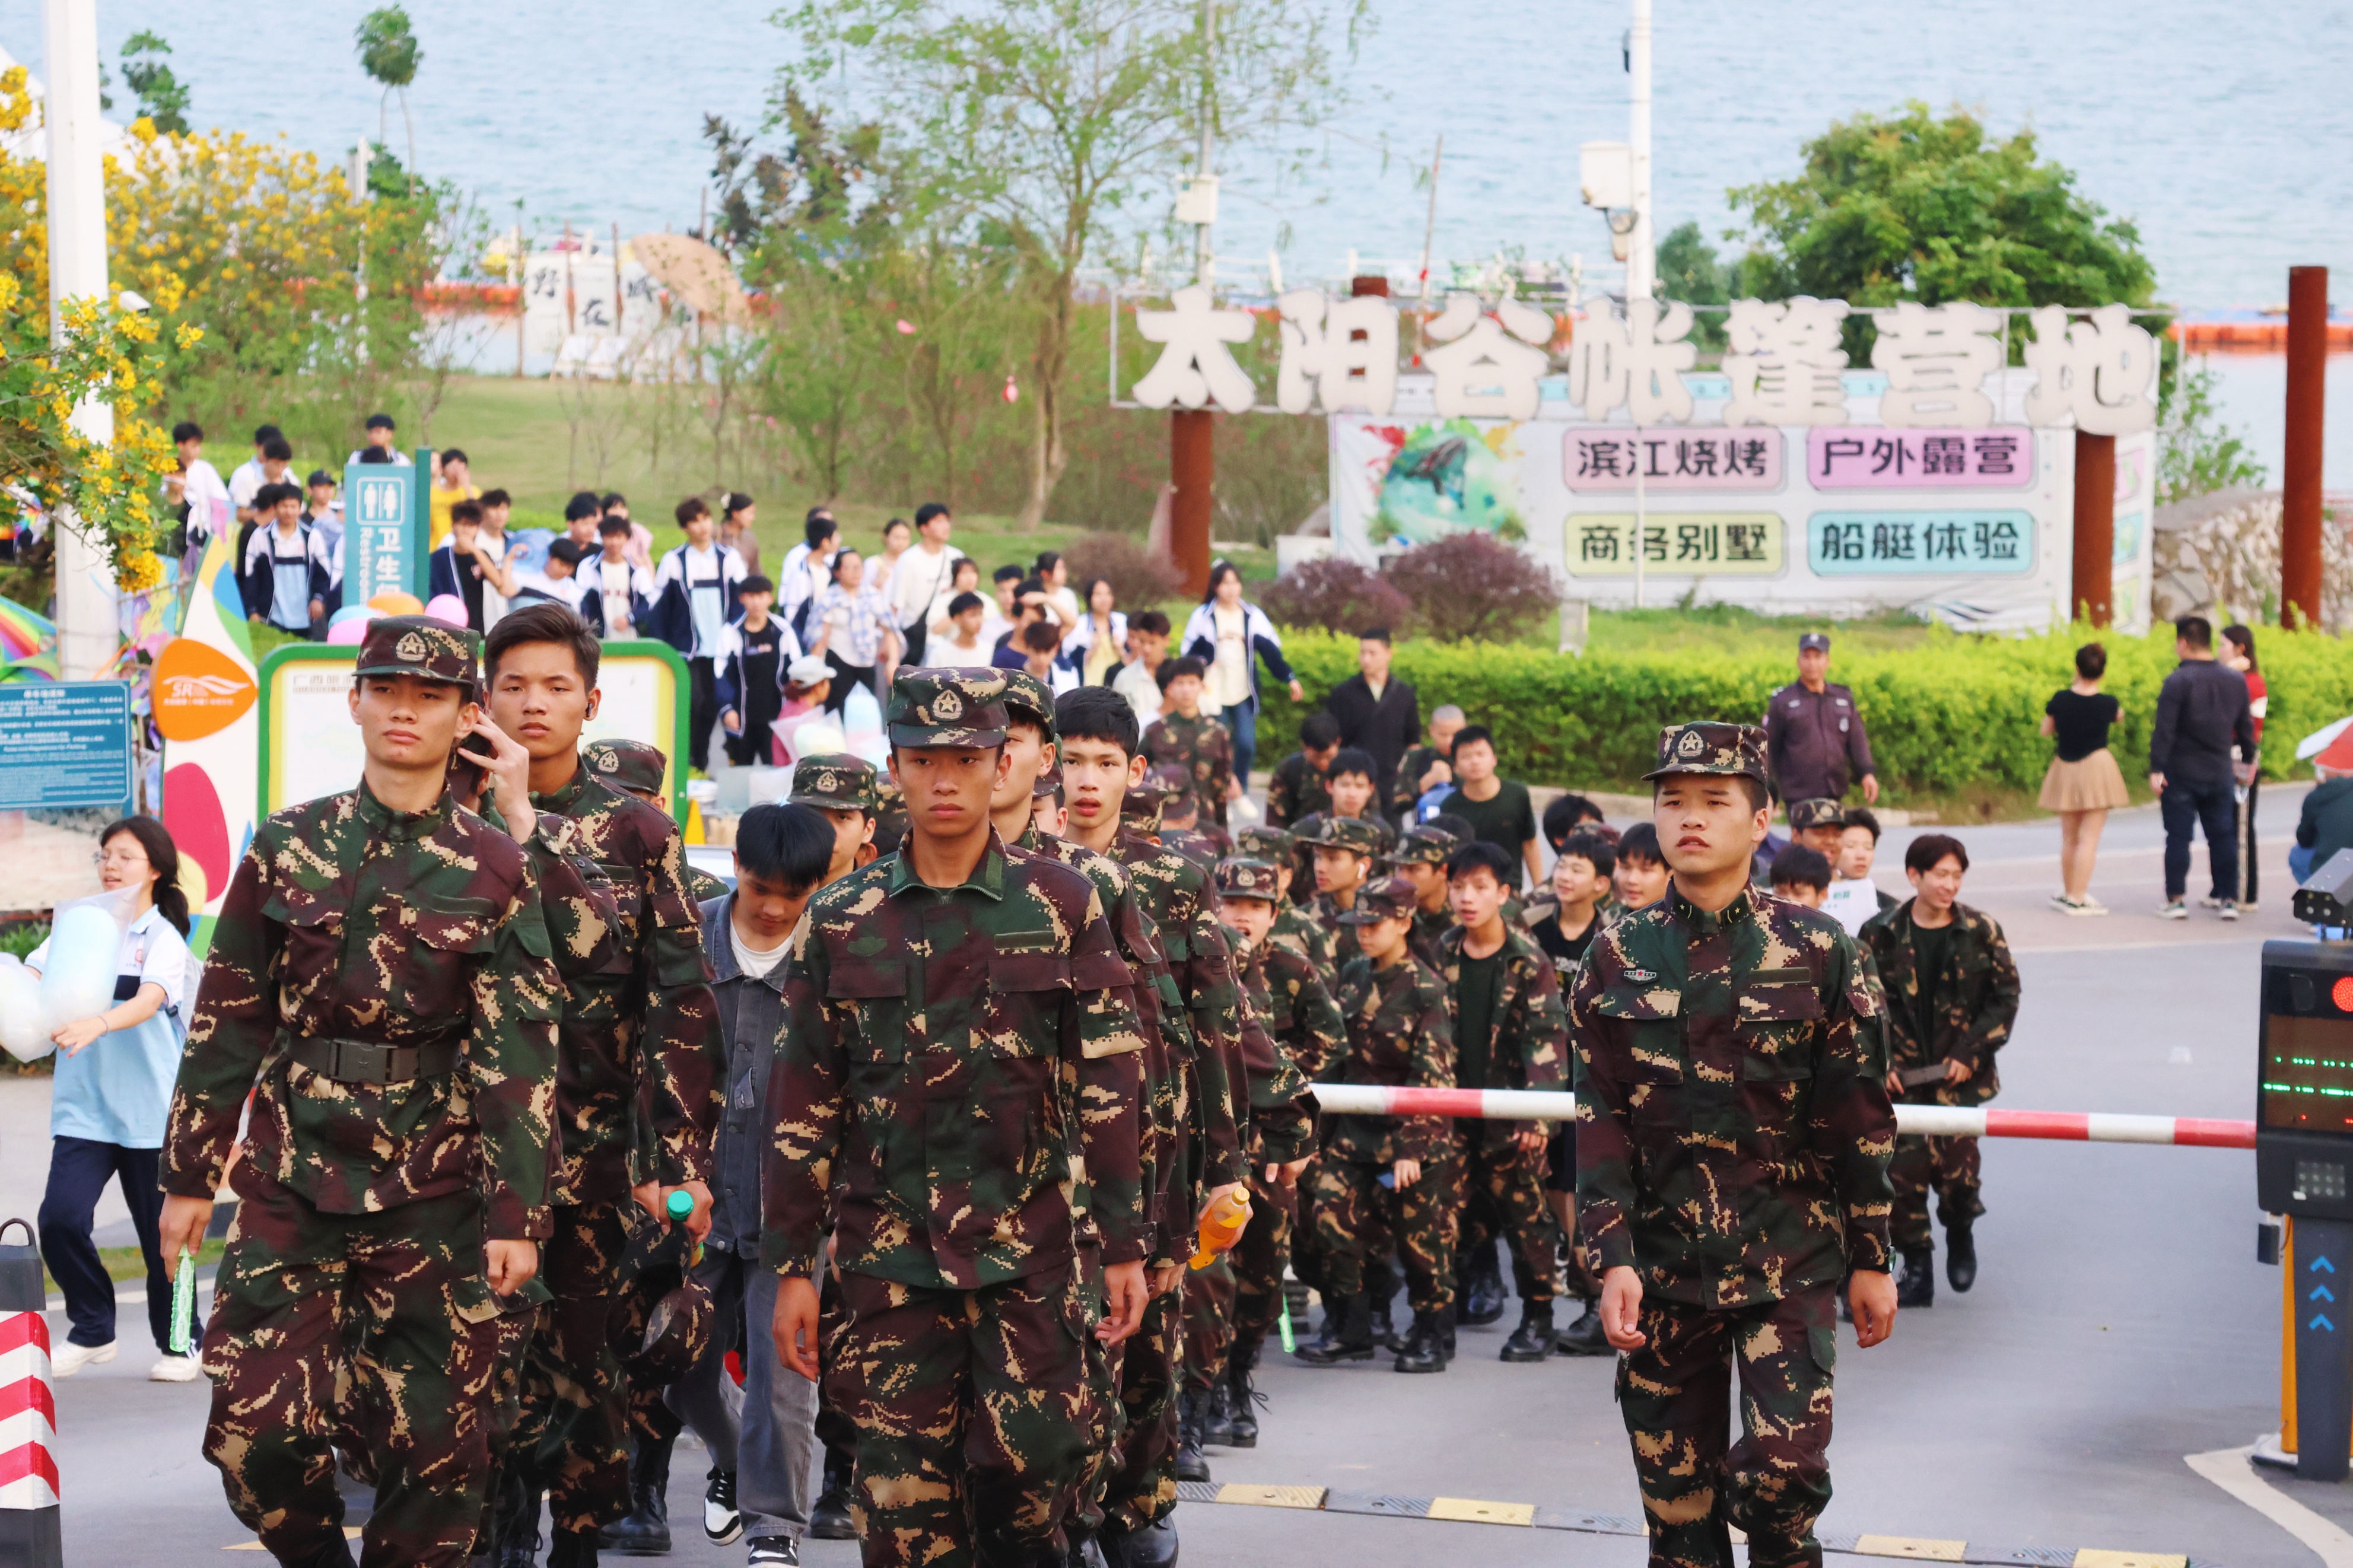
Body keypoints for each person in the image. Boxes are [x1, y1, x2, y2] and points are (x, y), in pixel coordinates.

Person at [155, 616, 561, 1568]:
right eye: (386, 690)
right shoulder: (289, 845)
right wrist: (187, 1173)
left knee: (439, 1447)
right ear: (356, 701)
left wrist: (519, 1212)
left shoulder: (499, 866)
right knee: (256, 1435)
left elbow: (519, 1053)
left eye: (428, 696)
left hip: (436, 1185)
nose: (404, 710)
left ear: (466, 713)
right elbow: (228, 1021)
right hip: (295, 1172)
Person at [763, 669, 1150, 1568]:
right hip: (887, 1255)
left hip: (1030, 1250)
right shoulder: (839, 916)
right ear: (894, 768)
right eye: (923, 759)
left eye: (966, 758)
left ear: (1000, 763)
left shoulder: (1062, 903)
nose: (945, 779)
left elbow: (1110, 1084)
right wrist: (791, 1265)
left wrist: (1127, 1243)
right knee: (900, 1509)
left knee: (1035, 1473)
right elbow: (802, 1104)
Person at [1574, 720, 1896, 1568]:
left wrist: (1871, 1255)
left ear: (1760, 824)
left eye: (1714, 802)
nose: (1688, 818)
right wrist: (1609, 1256)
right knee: (1678, 1523)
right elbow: (1596, 1116)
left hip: (1785, 1266)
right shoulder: (1614, 953)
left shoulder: (1822, 951)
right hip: (1661, 1266)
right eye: (1671, 801)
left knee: (1778, 1485)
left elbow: (1857, 1118)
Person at [476, 605, 724, 1564]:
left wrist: (681, 1160)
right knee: (474, 1377)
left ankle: (576, 1541)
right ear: (484, 696)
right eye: (514, 684)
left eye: (555, 686)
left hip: (596, 1159)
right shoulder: (437, 808)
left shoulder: (635, 830)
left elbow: (679, 1001)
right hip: (465, 1152)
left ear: (590, 700)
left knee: (588, 1378)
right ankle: (494, 1537)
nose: (534, 704)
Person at [1056, 683, 1249, 1567]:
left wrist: (1225, 1165)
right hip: (1050, 1157)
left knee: (1145, 1344)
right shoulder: (1019, 871)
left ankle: (1136, 1502)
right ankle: (1067, 1512)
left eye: (1104, 763)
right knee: (1054, 1344)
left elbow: (1216, 1030)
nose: (1085, 780)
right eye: (1071, 759)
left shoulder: (1175, 880)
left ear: (1135, 771)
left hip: (1158, 1152)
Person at [668, 802, 835, 1567]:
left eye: (791, 895)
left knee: (783, 1373)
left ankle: (775, 1530)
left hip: (791, 1207)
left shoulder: (836, 952)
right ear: (735, 866)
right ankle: (735, 1462)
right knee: (674, 1357)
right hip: (689, 1201)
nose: (771, 908)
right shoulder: (685, 937)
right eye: (759, 886)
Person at [31, 817, 201, 1382]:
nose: (110, 865)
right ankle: (92, 1327)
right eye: (105, 855)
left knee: (166, 1241)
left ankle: (181, 1342)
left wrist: (98, 1023)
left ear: (155, 868)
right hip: (86, 1110)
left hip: (151, 1114)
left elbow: (150, 999)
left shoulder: (163, 939)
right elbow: (32, 980)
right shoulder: (77, 930)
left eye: (125, 856)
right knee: (59, 1219)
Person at [1293, 874, 1456, 1373]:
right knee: (1328, 1218)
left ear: (1404, 923)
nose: (1364, 932)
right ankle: (1352, 1326)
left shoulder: (1427, 988)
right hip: (1355, 1132)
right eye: (1358, 923)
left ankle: (1433, 1332)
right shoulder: (1353, 973)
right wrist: (1314, 1131)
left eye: (1375, 922)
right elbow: (1338, 1057)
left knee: (1421, 1240)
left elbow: (1434, 1074)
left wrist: (1411, 1147)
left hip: (1412, 1135)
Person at [1861, 833, 2017, 1309]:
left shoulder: (1982, 930)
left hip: (1958, 1079)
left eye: (1957, 875)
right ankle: (1918, 1267)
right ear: (1915, 876)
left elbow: (2005, 997)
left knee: (1959, 1176)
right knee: (1903, 1178)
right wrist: (1880, 1062)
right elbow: (1863, 1004)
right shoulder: (1879, 932)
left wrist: (1971, 1052)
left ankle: (1961, 1231)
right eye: (1941, 874)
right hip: (1902, 1080)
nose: (1950, 884)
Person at [1206, 858, 1333, 1445]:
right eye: (1231, 902)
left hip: (1273, 1154)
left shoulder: (1289, 970)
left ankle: (1239, 1382)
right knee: (1209, 1279)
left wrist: (1286, 1088)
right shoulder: (1203, 963)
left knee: (1262, 1278)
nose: (1242, 914)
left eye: (1255, 906)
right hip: (1217, 1150)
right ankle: (1199, 1396)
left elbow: (1330, 1035)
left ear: (1274, 914)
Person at [1440, 840, 1570, 1363]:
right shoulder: (1442, 951)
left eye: (1479, 887)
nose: (1467, 898)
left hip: (1511, 1117)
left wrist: (1537, 1115)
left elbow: (1547, 1042)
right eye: (1458, 886)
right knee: (1443, 1213)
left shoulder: (1527, 961)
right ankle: (1439, 1315)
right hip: (1451, 1116)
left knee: (1527, 1221)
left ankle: (1539, 1319)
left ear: (1503, 893)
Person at [1519, 828, 1613, 1355]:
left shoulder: (1614, 934)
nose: (1564, 875)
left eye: (1578, 869)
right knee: (1552, 1179)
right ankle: (1565, 1267)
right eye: (1562, 865)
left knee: (1582, 1182)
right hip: (1540, 1075)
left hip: (1590, 1077)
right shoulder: (1531, 927)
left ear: (1602, 883)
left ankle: (1590, 1290)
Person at [2151, 615, 2256, 921]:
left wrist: (2157, 768)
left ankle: (2176, 898)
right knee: (2223, 836)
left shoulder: (2177, 681)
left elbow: (2165, 730)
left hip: (2181, 772)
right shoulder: (2235, 681)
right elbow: (2245, 727)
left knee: (2178, 837)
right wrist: (2248, 760)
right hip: (2220, 771)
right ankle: (2228, 899)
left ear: (2183, 643)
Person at [647, 496, 751, 773]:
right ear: (684, 528)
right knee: (693, 705)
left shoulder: (730, 559)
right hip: (688, 650)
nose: (702, 526)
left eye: (705, 518)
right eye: (694, 521)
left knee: (721, 704)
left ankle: (719, 762)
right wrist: (664, 649)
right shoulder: (674, 561)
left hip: (722, 650)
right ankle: (691, 763)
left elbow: (743, 602)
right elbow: (659, 610)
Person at [1182, 562, 1303, 796]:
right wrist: (1208, 657)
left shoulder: (1252, 615)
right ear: (1216, 586)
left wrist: (1290, 678)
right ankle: (1216, 788)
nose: (1231, 589)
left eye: (1235, 583)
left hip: (1243, 691)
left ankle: (1240, 788)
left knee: (1246, 743)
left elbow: (1271, 653)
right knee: (1218, 743)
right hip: (1214, 692)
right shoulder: (1203, 616)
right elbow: (1188, 652)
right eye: (1225, 583)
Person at [2039, 641, 2129, 916]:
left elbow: (2045, 730)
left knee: (2069, 838)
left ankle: (2070, 892)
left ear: (2077, 668)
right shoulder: (2108, 703)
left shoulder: (2060, 699)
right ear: (2102, 672)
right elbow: (2119, 718)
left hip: (2066, 766)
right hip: (2097, 767)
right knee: (2089, 839)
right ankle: (2078, 896)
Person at [1763, 631, 1880, 804]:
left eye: (1818, 657)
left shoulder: (1842, 698)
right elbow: (1769, 746)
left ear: (1828, 661)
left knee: (1831, 832)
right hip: (1798, 793)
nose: (1812, 663)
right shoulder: (1784, 701)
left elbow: (1857, 739)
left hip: (1834, 788)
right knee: (1805, 833)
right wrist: (1766, 786)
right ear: (1798, 661)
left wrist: (1867, 773)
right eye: (1807, 657)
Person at [1322, 628, 1419, 813]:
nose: (1366, 659)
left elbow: (1413, 742)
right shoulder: (1344, 693)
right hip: (1355, 784)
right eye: (1362, 652)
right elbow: (1333, 741)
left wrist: (1407, 780)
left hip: (1391, 784)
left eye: (1372, 653)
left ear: (1389, 654)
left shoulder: (1404, 695)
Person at [717, 575, 805, 767]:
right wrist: (727, 709)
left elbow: (798, 673)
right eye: (751, 596)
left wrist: (795, 709)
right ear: (742, 599)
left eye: (761, 596)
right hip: (740, 719)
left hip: (775, 719)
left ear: (770, 599)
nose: (756, 602)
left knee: (776, 774)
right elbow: (720, 675)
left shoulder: (783, 631)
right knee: (740, 775)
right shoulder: (731, 632)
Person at [1438, 726, 1541, 890]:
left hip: (1508, 889)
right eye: (1466, 756)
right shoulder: (1449, 807)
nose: (1475, 761)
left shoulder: (1517, 795)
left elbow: (1530, 844)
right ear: (1455, 767)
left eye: (1481, 754)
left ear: (1494, 759)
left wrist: (1539, 889)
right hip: (1468, 889)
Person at [1143, 657, 1236, 827]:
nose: (1186, 690)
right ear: (1169, 689)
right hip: (1164, 820)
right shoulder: (1155, 731)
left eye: (1192, 683)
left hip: (1204, 819)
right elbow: (1136, 774)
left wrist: (1222, 828)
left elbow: (1223, 786)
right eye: (1180, 683)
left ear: (1202, 687)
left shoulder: (1217, 733)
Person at [809, 546, 898, 718]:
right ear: (837, 572)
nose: (856, 572)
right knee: (839, 714)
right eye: (849, 568)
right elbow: (821, 638)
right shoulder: (829, 599)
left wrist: (893, 661)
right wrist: (813, 670)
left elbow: (889, 629)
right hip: (839, 662)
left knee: (867, 715)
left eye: (859, 567)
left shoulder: (872, 595)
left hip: (867, 663)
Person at [241, 482, 335, 637]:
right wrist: (252, 610)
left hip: (306, 618)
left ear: (300, 508)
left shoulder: (312, 537)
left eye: (293, 506)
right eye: (284, 506)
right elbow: (251, 576)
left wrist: (319, 599)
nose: (289, 511)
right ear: (276, 507)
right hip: (271, 618)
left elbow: (323, 574)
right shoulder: (260, 537)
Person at [2223, 624, 2268, 910]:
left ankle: (2245, 893)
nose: (2219, 651)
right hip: (2223, 758)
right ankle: (2224, 887)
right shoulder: (2232, 679)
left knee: (2241, 826)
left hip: (2242, 758)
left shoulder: (2251, 682)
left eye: (2223, 645)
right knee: (2223, 826)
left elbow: (2247, 727)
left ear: (2240, 649)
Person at [891, 502, 964, 666]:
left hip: (950, 636)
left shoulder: (956, 557)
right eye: (939, 522)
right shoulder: (909, 560)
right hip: (918, 637)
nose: (946, 526)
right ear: (924, 529)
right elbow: (896, 606)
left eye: (947, 521)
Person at [427, 501, 513, 634]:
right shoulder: (439, 557)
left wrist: (474, 550)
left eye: (472, 525)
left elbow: (500, 584)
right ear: (453, 526)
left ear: (478, 528)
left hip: (474, 628)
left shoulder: (481, 555)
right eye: (462, 524)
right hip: (445, 625)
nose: (466, 529)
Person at [1391, 704, 1467, 823]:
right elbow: (1396, 804)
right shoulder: (1416, 758)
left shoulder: (1472, 759)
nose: (1449, 741)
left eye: (1455, 734)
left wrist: (1456, 777)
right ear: (1432, 731)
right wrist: (1424, 785)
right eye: (1443, 734)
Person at [582, 513, 653, 639]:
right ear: (602, 537)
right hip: (597, 640)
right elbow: (581, 602)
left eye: (619, 537)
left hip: (630, 640)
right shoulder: (588, 567)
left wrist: (629, 619)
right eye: (609, 537)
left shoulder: (637, 570)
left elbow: (648, 603)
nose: (614, 542)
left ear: (626, 538)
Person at [166, 420, 233, 552]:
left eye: (199, 446)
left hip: (199, 533)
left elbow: (222, 502)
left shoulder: (205, 470)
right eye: (194, 446)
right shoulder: (167, 468)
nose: (199, 450)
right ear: (180, 445)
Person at [2295, 729, 2353, 883]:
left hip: (2327, 869)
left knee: (2296, 855)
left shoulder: (2317, 796)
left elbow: (2304, 839)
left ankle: (2316, 893)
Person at [1267, 712, 1341, 828]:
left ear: (1338, 742)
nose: (1324, 763)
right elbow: (1275, 820)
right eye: (1317, 758)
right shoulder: (1290, 769)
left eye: (1329, 757)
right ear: (1304, 746)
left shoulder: (1350, 769)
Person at [777, 510, 840, 645]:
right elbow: (792, 614)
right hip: (807, 643)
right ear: (825, 542)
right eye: (835, 536)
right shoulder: (801, 575)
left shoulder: (828, 570)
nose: (839, 540)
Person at [1063, 576, 1128, 687]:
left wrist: (1120, 650)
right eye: (1098, 594)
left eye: (1108, 594)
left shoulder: (1122, 621)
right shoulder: (1079, 624)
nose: (1104, 599)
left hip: (1119, 683)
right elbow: (1068, 658)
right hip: (1090, 686)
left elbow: (1132, 658)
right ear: (1089, 598)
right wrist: (1090, 652)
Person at [1114, 610, 1171, 726]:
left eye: (1152, 643)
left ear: (1166, 641)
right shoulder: (1124, 677)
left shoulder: (1178, 675)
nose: (1146, 649)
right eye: (1142, 642)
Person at [508, 536, 592, 612]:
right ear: (550, 557)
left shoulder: (573, 590)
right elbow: (507, 591)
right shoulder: (526, 575)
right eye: (562, 565)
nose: (565, 571)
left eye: (570, 568)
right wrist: (509, 559)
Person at [428, 448, 481, 549]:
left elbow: (478, 514)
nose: (457, 472)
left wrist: (466, 486)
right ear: (443, 469)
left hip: (465, 548)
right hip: (436, 548)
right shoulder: (432, 494)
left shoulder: (473, 492)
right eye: (453, 467)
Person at [1611, 822, 1670, 914]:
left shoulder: (1683, 925)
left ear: (1671, 876)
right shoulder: (1610, 920)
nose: (1632, 880)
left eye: (1645, 870)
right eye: (1626, 868)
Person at [933, 589, 994, 661]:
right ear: (957, 619)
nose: (979, 621)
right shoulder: (940, 653)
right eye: (973, 615)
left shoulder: (989, 652)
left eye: (980, 614)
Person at [346, 410, 412, 469]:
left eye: (378, 432)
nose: (373, 436)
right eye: (370, 432)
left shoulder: (401, 461)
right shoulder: (357, 457)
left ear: (390, 434)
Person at [720, 492, 764, 578]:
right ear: (735, 514)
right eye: (749, 513)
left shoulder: (750, 539)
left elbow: (755, 572)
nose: (753, 518)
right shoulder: (715, 536)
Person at [1035, 548, 1081, 626]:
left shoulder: (1068, 595)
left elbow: (1075, 623)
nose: (1064, 572)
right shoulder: (1035, 596)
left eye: (1064, 568)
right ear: (1045, 573)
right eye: (1059, 568)